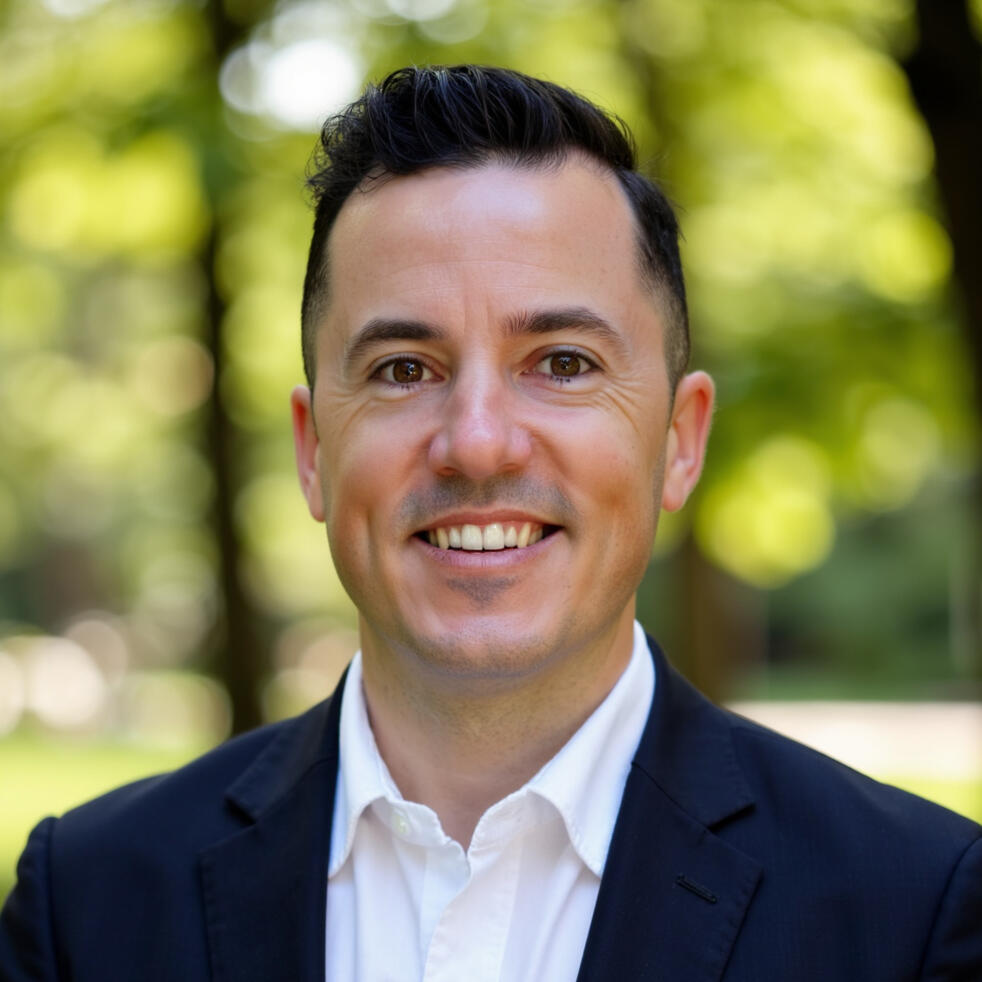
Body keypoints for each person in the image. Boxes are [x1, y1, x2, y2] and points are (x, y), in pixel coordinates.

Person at [1, 65, 980, 982]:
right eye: (402, 370)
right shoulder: (86, 905)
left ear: (680, 441)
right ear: (312, 450)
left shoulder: (914, 913)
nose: (476, 444)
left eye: (562, 363)